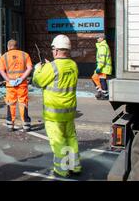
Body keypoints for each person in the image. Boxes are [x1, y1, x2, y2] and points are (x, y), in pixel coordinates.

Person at [33, 35, 82, 178]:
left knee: (58, 141)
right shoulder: (73, 65)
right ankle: (75, 166)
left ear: (55, 50)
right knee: (71, 138)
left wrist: (38, 69)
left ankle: (62, 169)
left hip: (54, 114)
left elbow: (37, 82)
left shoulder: (51, 67)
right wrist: (48, 66)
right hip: (69, 111)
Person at [0, 40, 33, 132]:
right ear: (17, 46)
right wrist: (21, 78)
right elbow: (30, 68)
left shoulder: (3, 57)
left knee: (11, 103)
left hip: (10, 85)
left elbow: (2, 71)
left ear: (8, 47)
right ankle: (26, 124)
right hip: (22, 84)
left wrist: (8, 80)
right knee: (23, 103)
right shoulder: (25, 55)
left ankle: (10, 124)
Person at [91, 34, 112, 100]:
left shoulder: (103, 47)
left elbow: (102, 59)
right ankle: (100, 92)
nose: (97, 39)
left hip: (103, 68)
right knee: (94, 78)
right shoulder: (101, 46)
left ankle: (105, 95)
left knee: (102, 80)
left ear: (102, 38)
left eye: (98, 38)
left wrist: (99, 67)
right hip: (102, 67)